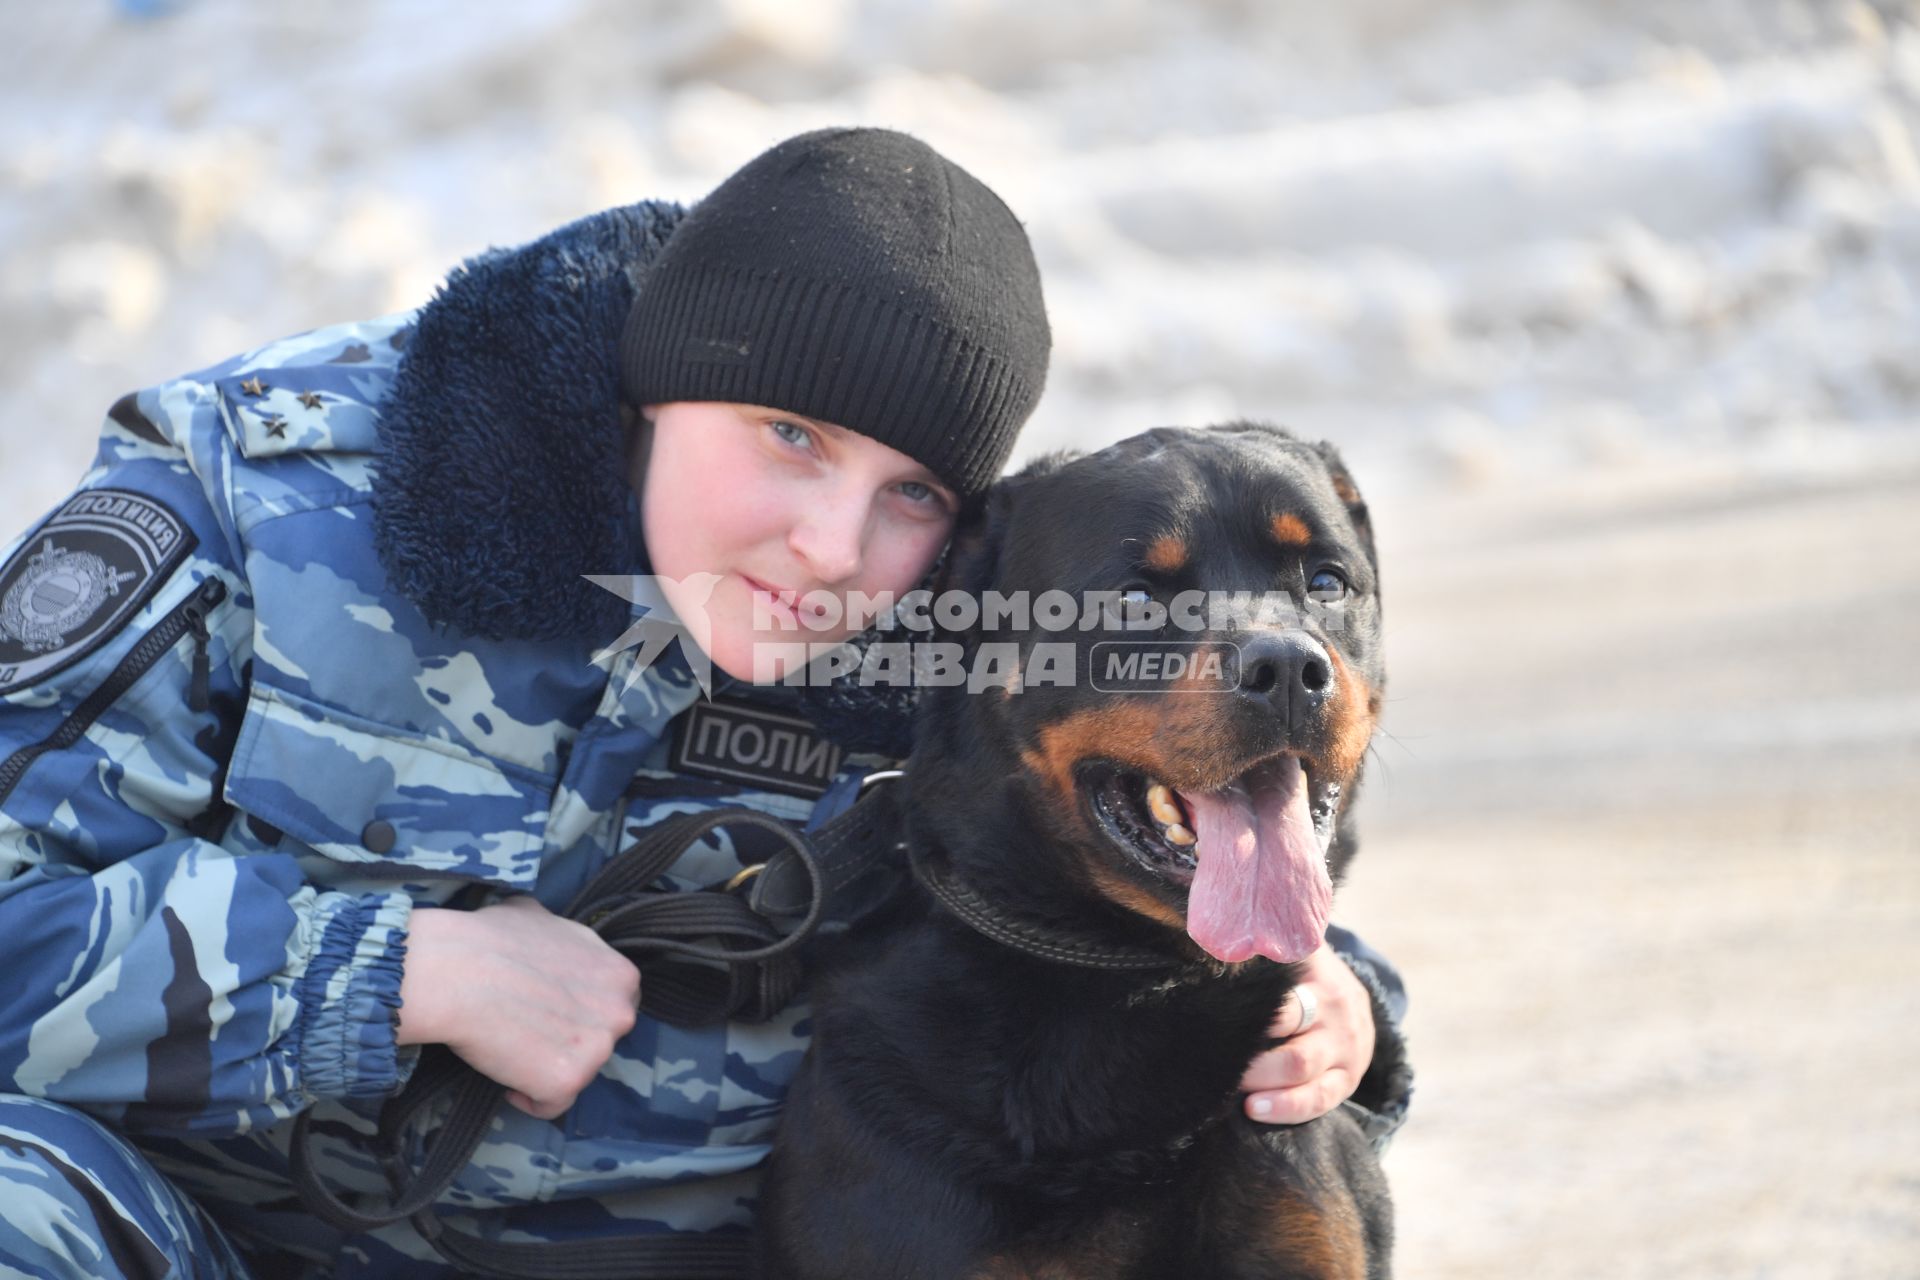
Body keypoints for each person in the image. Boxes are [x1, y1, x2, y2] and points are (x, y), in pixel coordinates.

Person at [0, 127, 1410, 1277]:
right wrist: (389, 974)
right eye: (791, 438)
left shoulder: (956, 624)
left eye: (910, 491)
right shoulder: (266, 501)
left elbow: (1131, 876)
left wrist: (1348, 1006)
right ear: (656, 389)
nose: (833, 548)